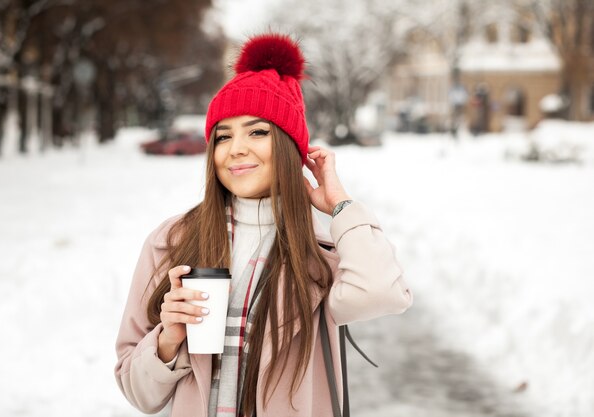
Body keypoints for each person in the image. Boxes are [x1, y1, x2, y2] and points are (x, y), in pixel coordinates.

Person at [115, 33, 413, 417]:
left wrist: (339, 205)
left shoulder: (321, 257)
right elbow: (138, 392)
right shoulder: (171, 243)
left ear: (290, 148)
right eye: (223, 136)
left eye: (257, 131)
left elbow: (383, 293)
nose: (236, 148)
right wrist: (168, 340)